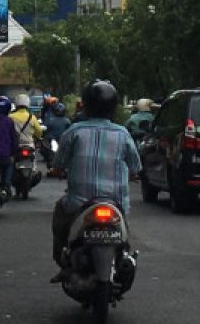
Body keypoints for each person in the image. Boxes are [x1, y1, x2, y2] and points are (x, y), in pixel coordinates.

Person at [50, 79, 141, 276]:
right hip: (116, 204)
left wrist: (57, 171)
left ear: (86, 105)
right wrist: (133, 174)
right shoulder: (123, 134)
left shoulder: (74, 132)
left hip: (79, 203)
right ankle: (123, 255)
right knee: (123, 233)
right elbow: (135, 167)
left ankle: (63, 262)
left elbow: (58, 165)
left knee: (60, 217)